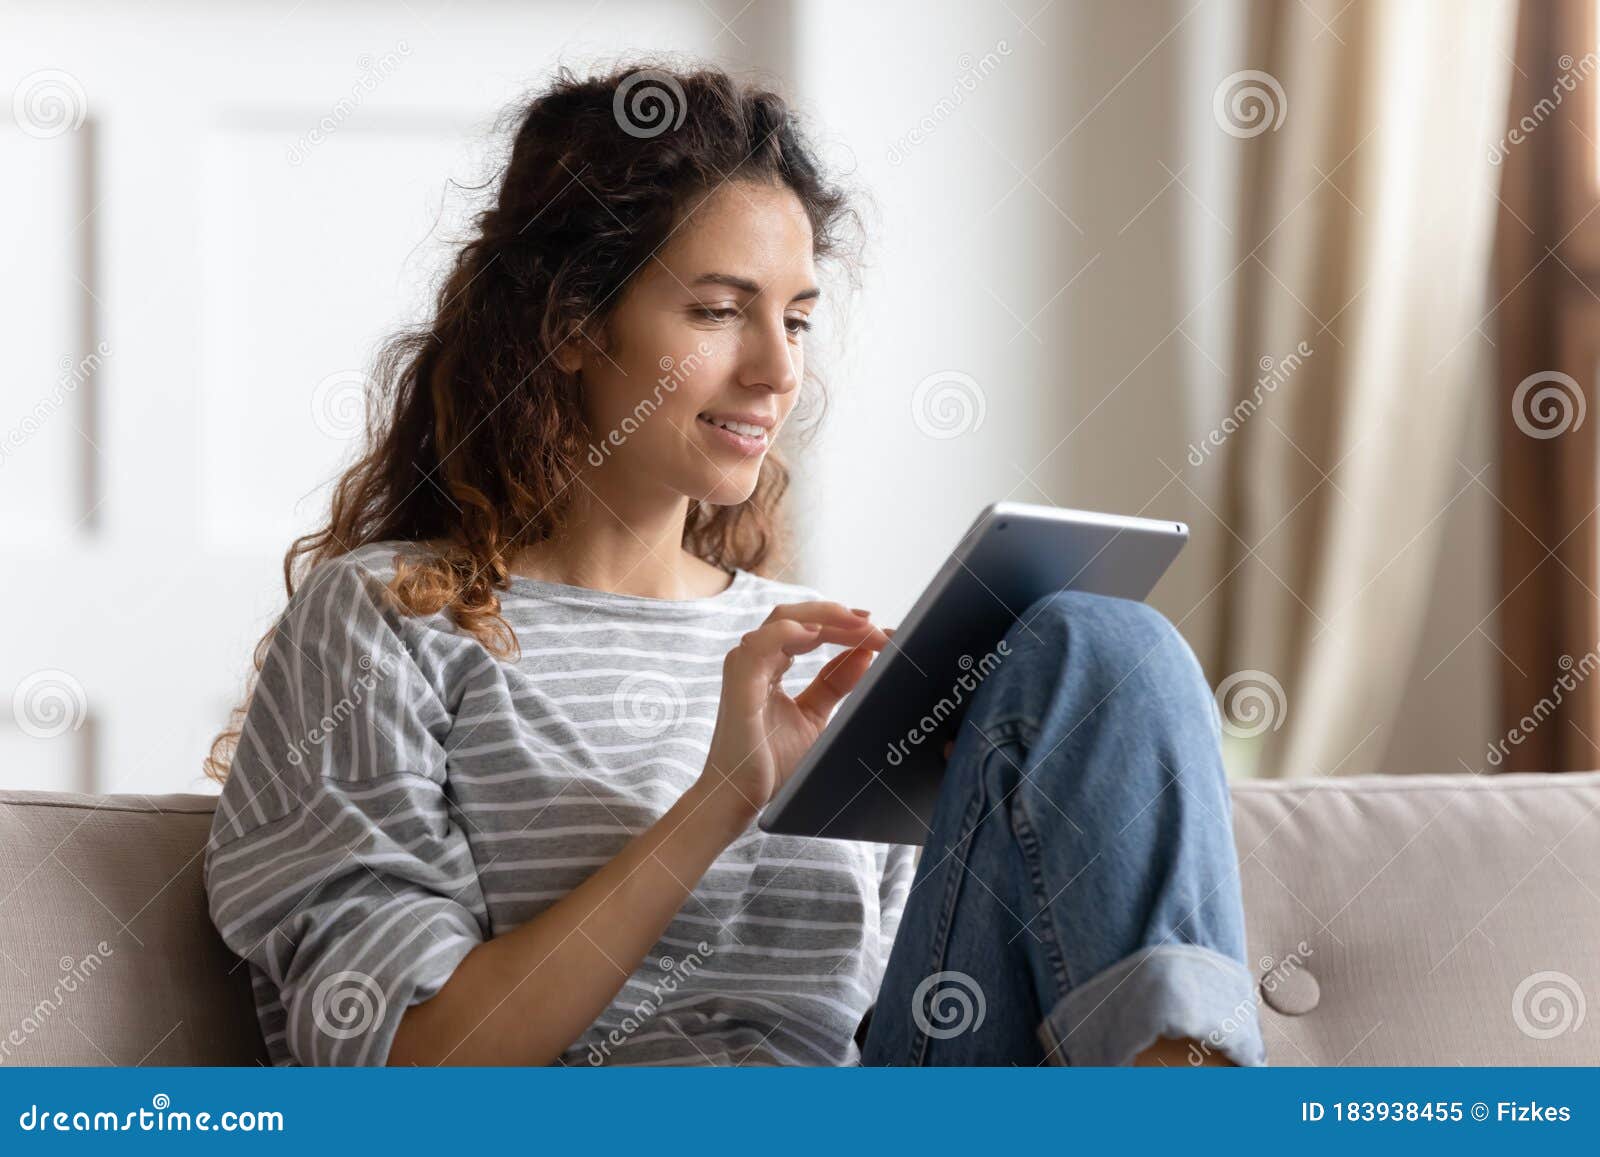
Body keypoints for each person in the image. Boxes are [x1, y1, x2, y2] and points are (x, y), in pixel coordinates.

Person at [200, 61, 1265, 1070]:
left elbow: (917, 1004)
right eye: (718, 311)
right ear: (569, 324)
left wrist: (962, 791)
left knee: (1097, 640)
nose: (776, 368)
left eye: (797, 318)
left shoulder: (807, 648)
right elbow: (404, 1060)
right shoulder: (391, 618)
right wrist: (721, 798)